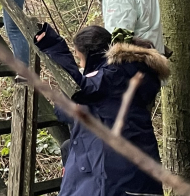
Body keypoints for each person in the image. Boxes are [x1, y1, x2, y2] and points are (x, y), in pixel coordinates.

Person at [35, 22, 169, 196]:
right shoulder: (129, 73)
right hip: (138, 175)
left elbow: (77, 93)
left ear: (89, 55)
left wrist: (53, 46)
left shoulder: (110, 77)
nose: (80, 64)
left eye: (79, 58)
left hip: (114, 176)